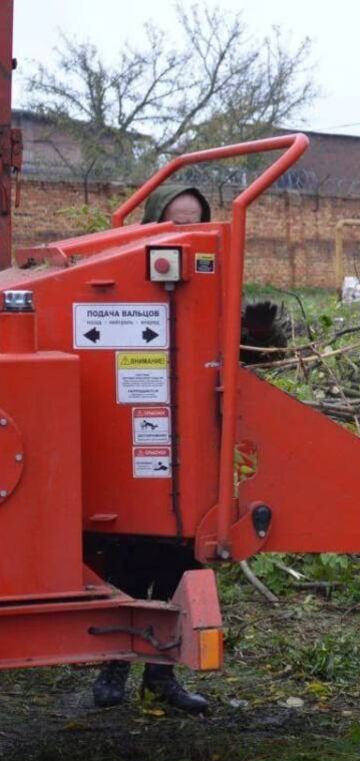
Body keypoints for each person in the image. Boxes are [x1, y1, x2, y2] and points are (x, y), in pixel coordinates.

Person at [87, 185, 213, 714]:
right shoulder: (123, 280)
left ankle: (161, 678)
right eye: (173, 221)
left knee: (182, 568)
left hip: (192, 455)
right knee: (132, 567)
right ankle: (113, 668)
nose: (182, 232)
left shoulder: (211, 281)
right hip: (136, 450)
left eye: (195, 222)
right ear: (151, 222)